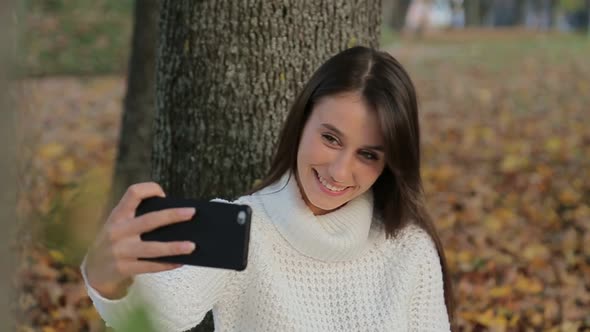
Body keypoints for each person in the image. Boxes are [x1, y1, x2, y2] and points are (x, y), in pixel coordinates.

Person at [82, 46, 454, 331]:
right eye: (330, 138)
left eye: (368, 154)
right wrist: (107, 278)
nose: (340, 170)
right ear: (301, 121)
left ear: (390, 163)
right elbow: (166, 311)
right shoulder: (241, 229)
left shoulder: (409, 247)